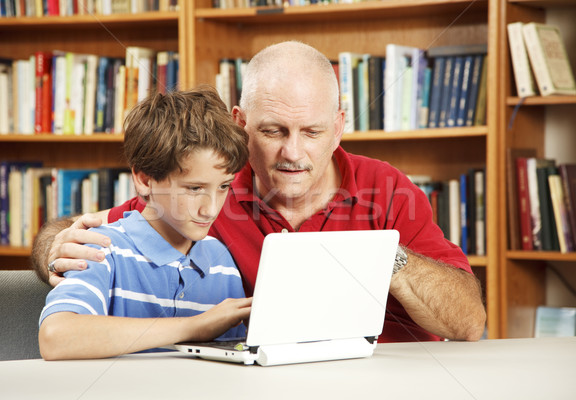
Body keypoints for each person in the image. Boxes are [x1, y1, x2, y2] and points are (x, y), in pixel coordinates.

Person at [33, 41, 486, 343]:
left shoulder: (386, 189)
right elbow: (108, 228)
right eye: (273, 130)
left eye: (311, 132)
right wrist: (53, 248)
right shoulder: (211, 187)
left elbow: (469, 323)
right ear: (241, 123)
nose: (293, 152)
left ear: (338, 128)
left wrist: (388, 255)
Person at [38, 86, 252, 360]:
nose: (211, 209)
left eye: (223, 186)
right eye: (194, 188)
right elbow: (56, 337)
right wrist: (194, 326)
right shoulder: (101, 249)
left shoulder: (222, 263)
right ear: (144, 180)